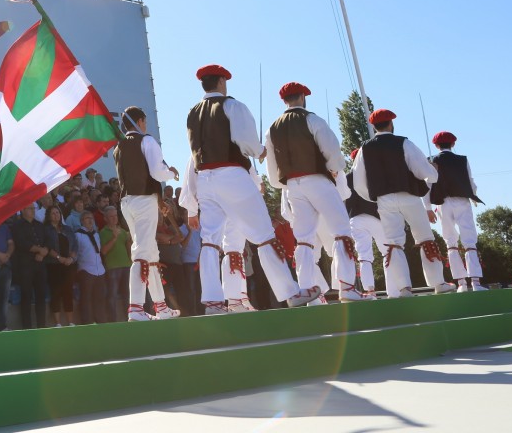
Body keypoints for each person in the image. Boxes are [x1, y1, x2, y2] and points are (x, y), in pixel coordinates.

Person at [181, 65, 315, 314]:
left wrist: (190, 205)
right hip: (232, 175)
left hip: (205, 180)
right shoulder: (232, 106)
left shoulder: (192, 113)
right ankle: (289, 292)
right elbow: (246, 142)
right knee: (264, 234)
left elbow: (192, 157)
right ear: (222, 81)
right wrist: (260, 151)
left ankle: (215, 301)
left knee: (211, 241)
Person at [265, 82, 368, 302]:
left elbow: (273, 172)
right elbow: (332, 151)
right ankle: (347, 287)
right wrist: (334, 169)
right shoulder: (312, 119)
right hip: (317, 180)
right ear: (303, 97)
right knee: (341, 230)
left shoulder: (272, 129)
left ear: (284, 100)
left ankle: (306, 288)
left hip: (292, 186)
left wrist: (284, 183)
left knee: (303, 238)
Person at [352, 109, 455, 297]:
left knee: (393, 244)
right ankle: (438, 283)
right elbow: (423, 170)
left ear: (373, 127)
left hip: (384, 200)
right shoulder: (403, 143)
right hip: (409, 195)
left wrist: (374, 197)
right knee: (425, 238)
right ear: (391, 123)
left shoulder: (364, 149)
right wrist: (432, 174)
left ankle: (403, 289)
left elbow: (358, 182)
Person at [113, 105, 182, 321]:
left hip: (128, 202)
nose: (146, 125)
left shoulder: (119, 147)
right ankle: (135, 308)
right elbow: (157, 172)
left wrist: (159, 200)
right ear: (140, 121)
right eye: (145, 121)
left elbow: (141, 175)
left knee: (150, 252)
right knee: (143, 252)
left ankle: (161, 307)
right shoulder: (147, 141)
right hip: (144, 201)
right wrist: (171, 172)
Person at [429, 131, 488, 292]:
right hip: (462, 200)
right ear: (453, 144)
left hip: (443, 202)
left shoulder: (432, 160)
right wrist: (473, 196)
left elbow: (429, 185)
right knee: (469, 239)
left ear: (436, 145)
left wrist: (428, 207)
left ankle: (461, 283)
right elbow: (471, 181)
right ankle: (475, 282)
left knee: (450, 241)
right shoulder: (462, 160)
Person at [341, 150, 387, 295]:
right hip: (375, 216)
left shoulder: (346, 178)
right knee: (388, 252)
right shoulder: (373, 175)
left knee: (364, 255)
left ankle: (369, 290)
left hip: (355, 218)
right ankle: (395, 289)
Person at [11, 204, 48, 329]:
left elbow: (47, 240)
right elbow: (21, 242)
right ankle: (27, 327)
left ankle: (42, 325)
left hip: (40, 264)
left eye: (33, 208)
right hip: (25, 265)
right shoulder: (17, 226)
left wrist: (43, 252)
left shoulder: (40, 225)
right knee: (26, 296)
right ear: (22, 210)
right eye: (29, 208)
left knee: (41, 295)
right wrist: (39, 250)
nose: (32, 211)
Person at [43, 205, 78, 327]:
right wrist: (59, 258)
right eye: (53, 213)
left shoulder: (67, 229)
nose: (56, 215)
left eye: (57, 213)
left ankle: (70, 322)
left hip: (68, 265)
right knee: (56, 292)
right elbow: (47, 246)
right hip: (53, 265)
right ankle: (58, 323)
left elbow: (75, 245)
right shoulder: (45, 230)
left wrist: (71, 258)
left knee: (68, 292)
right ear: (48, 216)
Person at [99, 205, 132, 323]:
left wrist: (129, 241)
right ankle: (113, 321)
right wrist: (114, 237)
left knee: (128, 295)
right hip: (112, 267)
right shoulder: (102, 232)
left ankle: (130, 319)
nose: (114, 218)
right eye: (111, 216)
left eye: (115, 216)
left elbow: (128, 249)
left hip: (127, 266)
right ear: (105, 218)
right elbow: (103, 251)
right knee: (112, 295)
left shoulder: (123, 231)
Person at [74, 209, 107, 324]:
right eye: (87, 218)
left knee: (99, 298)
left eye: (92, 218)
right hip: (86, 270)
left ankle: (100, 321)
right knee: (86, 299)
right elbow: (75, 253)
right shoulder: (78, 235)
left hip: (100, 270)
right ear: (82, 221)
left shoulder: (96, 234)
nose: (90, 220)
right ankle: (87, 322)